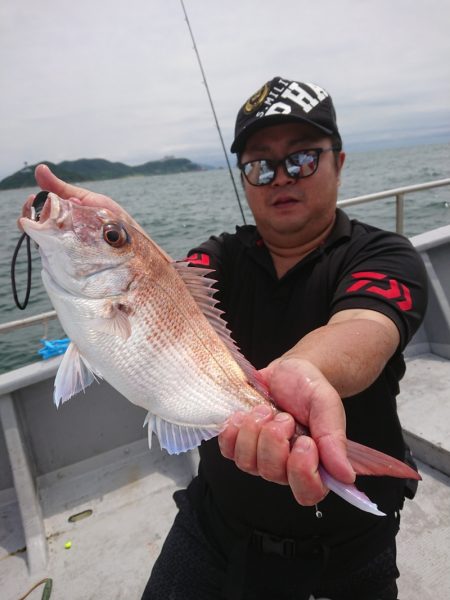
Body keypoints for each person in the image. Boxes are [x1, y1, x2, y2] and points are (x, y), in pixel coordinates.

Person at [29, 76, 427, 600]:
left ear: (340, 161)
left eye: (302, 158)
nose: (281, 177)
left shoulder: (383, 255)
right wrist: (116, 227)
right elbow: (159, 282)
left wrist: (308, 370)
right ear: (244, 178)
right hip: (216, 526)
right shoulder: (212, 259)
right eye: (260, 166)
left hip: (349, 550)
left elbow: (364, 327)